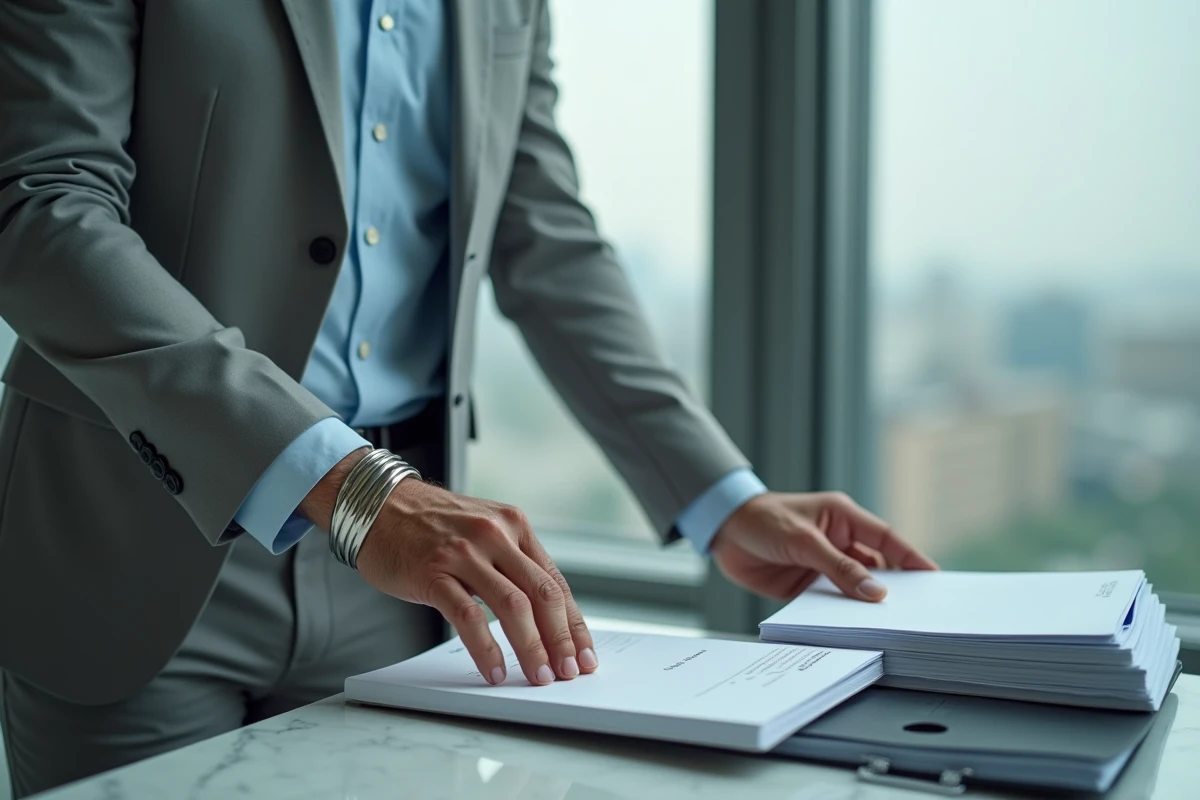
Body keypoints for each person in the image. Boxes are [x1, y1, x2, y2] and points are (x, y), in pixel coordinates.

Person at [0, 1, 936, 796]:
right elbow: (42, 204)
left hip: (403, 579)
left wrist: (722, 499)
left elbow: (545, 236)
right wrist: (351, 484)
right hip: (127, 539)